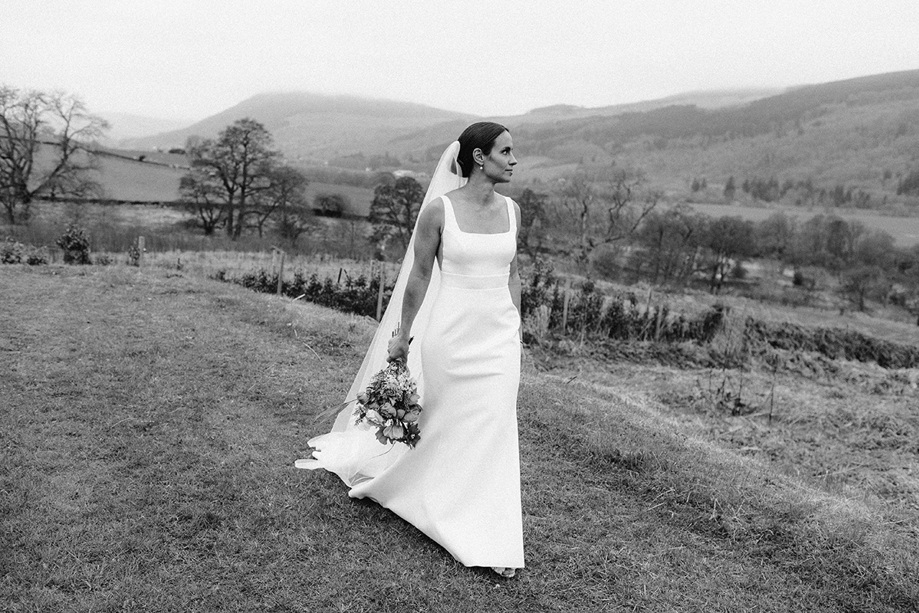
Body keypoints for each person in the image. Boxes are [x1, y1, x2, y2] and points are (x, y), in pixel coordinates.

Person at [297, 122, 523, 578]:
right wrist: (402, 335)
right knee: (446, 422)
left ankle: (491, 534)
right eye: (507, 151)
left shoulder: (513, 210)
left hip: (499, 338)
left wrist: (517, 327)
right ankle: (425, 496)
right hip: (452, 335)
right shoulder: (440, 211)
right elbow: (419, 276)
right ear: (480, 158)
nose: (515, 159)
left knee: (496, 427)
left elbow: (514, 274)